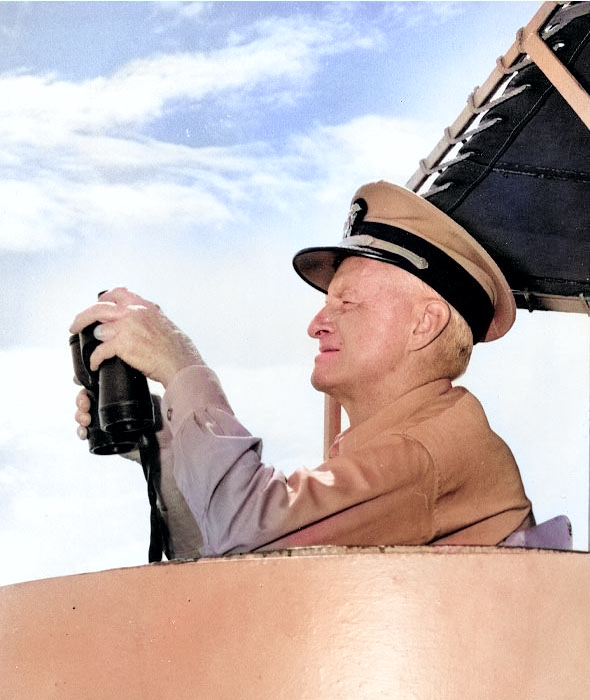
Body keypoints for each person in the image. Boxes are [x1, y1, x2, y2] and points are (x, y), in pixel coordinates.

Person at [71, 180, 534, 559]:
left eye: (346, 303)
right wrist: (166, 447)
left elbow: (246, 533)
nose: (316, 325)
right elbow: (222, 561)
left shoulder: (425, 451)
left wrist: (180, 365)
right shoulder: (409, 439)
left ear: (424, 323)